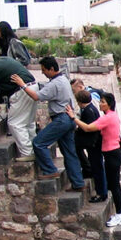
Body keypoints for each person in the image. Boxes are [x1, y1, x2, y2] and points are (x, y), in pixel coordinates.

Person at [11, 57, 84, 190]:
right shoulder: (63, 80)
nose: (43, 73)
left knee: (39, 142)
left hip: (61, 119)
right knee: (69, 152)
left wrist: (22, 85)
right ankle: (78, 183)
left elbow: (36, 96)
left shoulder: (55, 84)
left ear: (51, 69)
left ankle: (50, 170)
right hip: (68, 118)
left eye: (44, 70)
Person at [66, 92, 121, 226]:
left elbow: (88, 128)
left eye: (103, 102)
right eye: (100, 101)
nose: (100, 104)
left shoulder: (107, 117)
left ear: (109, 104)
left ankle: (120, 213)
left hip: (112, 154)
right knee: (114, 185)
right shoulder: (110, 116)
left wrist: (73, 117)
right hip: (112, 153)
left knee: (115, 186)